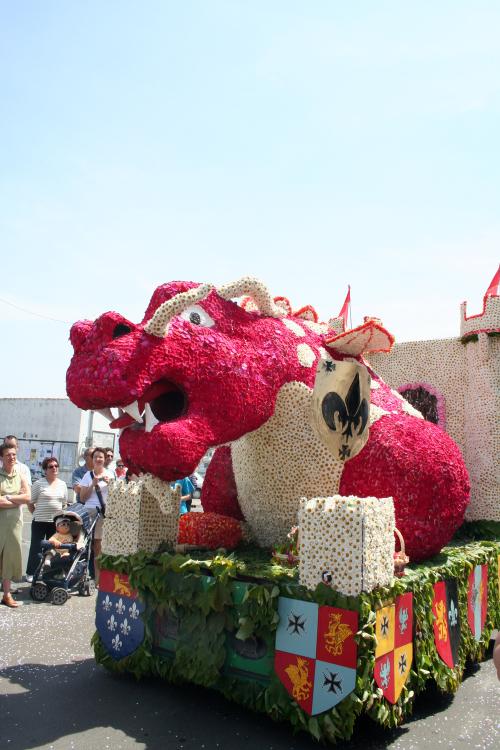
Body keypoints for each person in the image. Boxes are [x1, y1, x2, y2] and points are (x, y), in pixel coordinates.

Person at [26, 457, 69, 581]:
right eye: (51, 466)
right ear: (45, 470)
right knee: (36, 547)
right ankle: (31, 572)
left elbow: (64, 504)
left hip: (55, 523)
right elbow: (30, 502)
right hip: (39, 521)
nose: (54, 468)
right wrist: (36, 514)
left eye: (56, 466)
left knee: (53, 548)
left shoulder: (63, 484)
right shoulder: (38, 484)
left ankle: (50, 573)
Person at [0, 443, 30, 607]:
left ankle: (7, 594)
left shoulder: (20, 475)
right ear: (1, 457)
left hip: (14, 524)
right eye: (7, 455)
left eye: (13, 454)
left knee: (10, 558)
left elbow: (27, 497)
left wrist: (8, 498)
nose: (11, 457)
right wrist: (16, 499)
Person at [78, 447, 114, 584]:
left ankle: (99, 579)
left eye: (100, 457)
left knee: (99, 546)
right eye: (95, 457)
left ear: (104, 460)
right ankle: (86, 576)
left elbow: (117, 495)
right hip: (89, 511)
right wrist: (92, 484)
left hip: (103, 512)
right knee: (87, 544)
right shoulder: (87, 475)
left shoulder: (110, 474)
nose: (98, 459)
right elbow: (82, 497)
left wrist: (111, 484)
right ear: (92, 460)